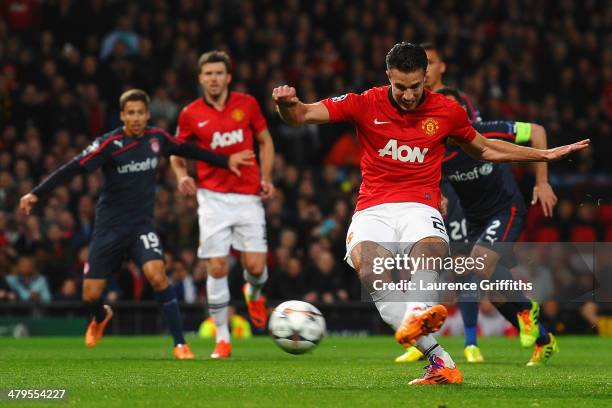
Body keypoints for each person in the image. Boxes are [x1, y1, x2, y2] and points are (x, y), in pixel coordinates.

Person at [272, 42, 588, 385]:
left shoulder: (447, 112)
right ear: (388, 77)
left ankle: (420, 311)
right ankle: (440, 361)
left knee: (429, 247)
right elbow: (302, 114)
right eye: (400, 87)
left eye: (415, 86)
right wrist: (286, 106)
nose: (408, 95)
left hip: (420, 203)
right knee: (370, 269)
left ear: (426, 77)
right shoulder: (365, 102)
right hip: (373, 207)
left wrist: (542, 156)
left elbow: (485, 148)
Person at [19, 89, 254, 359]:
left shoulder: (157, 138)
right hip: (109, 228)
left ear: (147, 114)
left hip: (141, 226)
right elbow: (73, 167)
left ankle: (180, 344)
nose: (136, 118)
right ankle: (101, 315)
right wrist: (36, 192)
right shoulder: (109, 144)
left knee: (157, 275)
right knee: (90, 296)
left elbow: (188, 149)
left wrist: (226, 160)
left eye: (141, 112)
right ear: (122, 116)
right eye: (130, 113)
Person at [396, 87, 559, 367]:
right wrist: (439, 196)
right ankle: (544, 340)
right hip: (475, 221)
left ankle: (526, 310)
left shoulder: (483, 132)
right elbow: (426, 179)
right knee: (495, 292)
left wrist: (541, 181)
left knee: (480, 264)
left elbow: (537, 131)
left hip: (505, 208)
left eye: (454, 110)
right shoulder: (435, 148)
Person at [170, 50, 276, 359]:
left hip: (247, 196)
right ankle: (222, 338)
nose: (214, 79)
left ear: (228, 77)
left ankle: (253, 293)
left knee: (255, 268)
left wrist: (266, 177)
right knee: (216, 266)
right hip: (212, 199)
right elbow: (177, 153)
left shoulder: (248, 104)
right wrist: (180, 176)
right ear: (200, 78)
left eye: (219, 73)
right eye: (208, 74)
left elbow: (265, 141)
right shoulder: (190, 113)